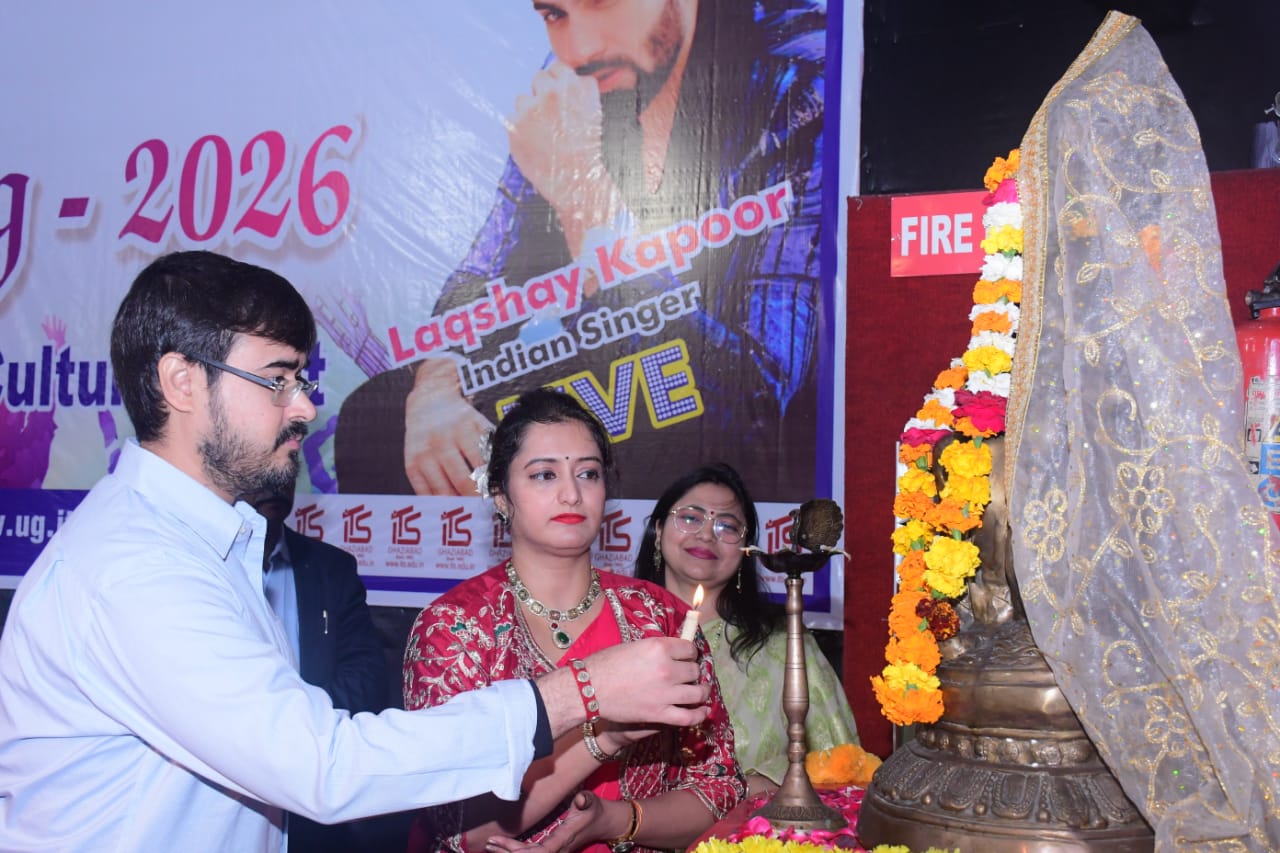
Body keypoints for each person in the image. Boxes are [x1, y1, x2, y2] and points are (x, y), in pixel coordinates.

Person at [0, 250, 714, 853]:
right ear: (182, 382)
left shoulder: (211, 544)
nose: (305, 407)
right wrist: (581, 694)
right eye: (277, 380)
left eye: (302, 381)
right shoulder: (137, 568)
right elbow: (326, 765)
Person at [335, 0, 827, 502]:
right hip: (604, 371)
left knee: (639, 418)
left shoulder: (801, 86)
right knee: (380, 418)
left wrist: (586, 204)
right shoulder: (584, 69)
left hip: (707, 405)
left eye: (602, 2)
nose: (581, 45)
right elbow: (486, 271)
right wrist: (435, 388)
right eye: (555, 14)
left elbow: (757, 404)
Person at [403, 389, 746, 853]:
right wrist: (603, 739)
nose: (571, 493)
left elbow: (720, 788)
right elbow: (461, 829)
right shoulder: (455, 629)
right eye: (544, 474)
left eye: (588, 473)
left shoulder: (660, 617)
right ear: (501, 496)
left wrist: (614, 821)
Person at [635, 462, 859, 798]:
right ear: (658, 529)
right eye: (691, 518)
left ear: (746, 551)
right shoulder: (620, 627)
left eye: (727, 526)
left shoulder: (784, 643)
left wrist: (753, 789)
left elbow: (841, 768)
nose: (707, 534)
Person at [249, 482, 404, 852]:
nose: (276, 482)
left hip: (316, 794)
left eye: (288, 465)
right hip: (231, 788)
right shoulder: (202, 565)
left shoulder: (330, 566)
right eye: (265, 464)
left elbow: (366, 679)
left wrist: (297, 731)